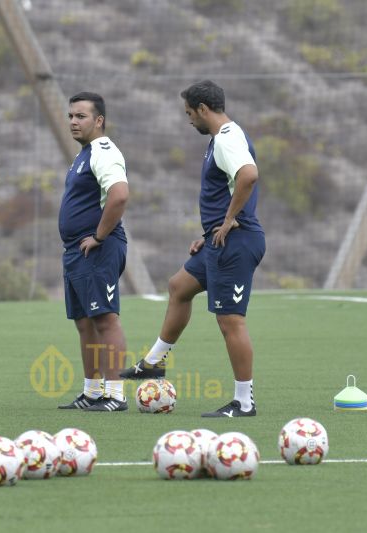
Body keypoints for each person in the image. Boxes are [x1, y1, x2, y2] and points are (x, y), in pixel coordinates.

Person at [119, 80, 265, 418]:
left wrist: (229, 221)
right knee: (179, 287)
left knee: (230, 322)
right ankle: (153, 363)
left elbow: (248, 175)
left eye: (189, 113)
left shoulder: (227, 140)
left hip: (236, 242)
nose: (188, 120)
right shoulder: (223, 138)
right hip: (217, 239)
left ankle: (244, 402)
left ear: (203, 109)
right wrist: (210, 230)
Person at [56, 92, 130, 412]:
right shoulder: (84, 154)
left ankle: (115, 394)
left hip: (97, 248)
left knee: (105, 319)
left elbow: (119, 195)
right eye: (71, 115)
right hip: (76, 250)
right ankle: (92, 392)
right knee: (85, 322)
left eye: (81, 116)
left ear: (99, 120)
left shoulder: (103, 150)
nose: (73, 121)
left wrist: (100, 235)